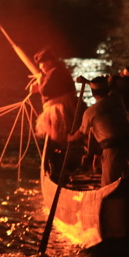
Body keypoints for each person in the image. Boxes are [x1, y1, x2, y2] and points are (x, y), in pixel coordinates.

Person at [71, 76, 129, 187]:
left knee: (108, 185)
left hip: (113, 151)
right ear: (107, 90)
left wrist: (71, 138)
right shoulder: (117, 98)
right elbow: (106, 90)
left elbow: (81, 133)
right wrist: (88, 82)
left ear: (93, 93)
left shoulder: (90, 113)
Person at [32, 47, 80, 177]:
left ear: (48, 62)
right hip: (64, 106)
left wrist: (39, 81)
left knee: (57, 136)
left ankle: (55, 164)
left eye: (41, 64)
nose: (40, 67)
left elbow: (45, 90)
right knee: (59, 137)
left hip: (60, 109)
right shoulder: (57, 71)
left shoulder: (54, 72)